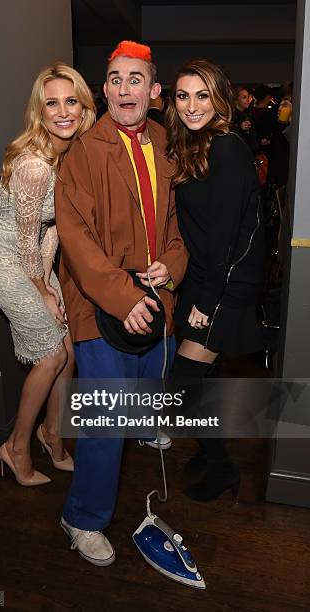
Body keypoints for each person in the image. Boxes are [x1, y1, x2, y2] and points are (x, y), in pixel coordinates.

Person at [55, 40, 188, 566]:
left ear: (154, 93)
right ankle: (82, 517)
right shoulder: (83, 151)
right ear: (103, 90)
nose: (123, 88)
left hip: (155, 306)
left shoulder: (165, 144)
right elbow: (75, 238)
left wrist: (170, 269)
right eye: (114, 79)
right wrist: (122, 294)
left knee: (144, 395)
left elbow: (176, 231)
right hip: (103, 307)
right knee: (105, 420)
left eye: (135, 79)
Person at [0, 62, 96, 486]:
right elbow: (25, 238)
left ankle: (52, 434)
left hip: (30, 257)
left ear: (83, 107)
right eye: (52, 104)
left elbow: (54, 229)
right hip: (0, 257)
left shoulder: (70, 156)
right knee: (50, 354)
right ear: (40, 113)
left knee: (70, 351)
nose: (63, 111)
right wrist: (42, 289)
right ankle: (16, 447)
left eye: (71, 101)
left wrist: (47, 281)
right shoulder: (35, 165)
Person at [166, 59, 265, 501]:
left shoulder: (226, 147)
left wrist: (206, 298)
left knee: (181, 382)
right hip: (207, 278)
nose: (192, 105)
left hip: (224, 283)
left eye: (202, 95)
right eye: (183, 95)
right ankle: (209, 452)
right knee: (199, 378)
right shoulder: (195, 144)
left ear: (219, 97)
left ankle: (223, 468)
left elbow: (226, 236)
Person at [233, 85, 259, 154]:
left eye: (248, 97)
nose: (248, 100)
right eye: (244, 97)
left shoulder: (247, 114)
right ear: (236, 99)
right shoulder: (232, 116)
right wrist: (239, 127)